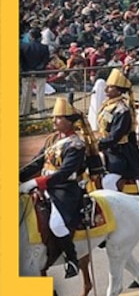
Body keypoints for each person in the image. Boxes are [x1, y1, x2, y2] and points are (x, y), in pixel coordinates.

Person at [18, 98, 90, 278]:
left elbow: (64, 174)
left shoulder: (77, 145)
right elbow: (37, 162)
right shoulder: (52, 139)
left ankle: (71, 259)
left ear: (69, 120)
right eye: (54, 118)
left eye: (58, 118)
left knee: (56, 224)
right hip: (45, 187)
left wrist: (36, 183)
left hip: (64, 190)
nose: (54, 121)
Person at [95, 67, 139, 191]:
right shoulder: (108, 106)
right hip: (106, 145)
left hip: (118, 151)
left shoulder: (122, 110)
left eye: (110, 87)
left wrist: (98, 145)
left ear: (119, 91)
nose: (106, 89)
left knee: (109, 181)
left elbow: (116, 135)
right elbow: (107, 124)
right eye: (107, 86)